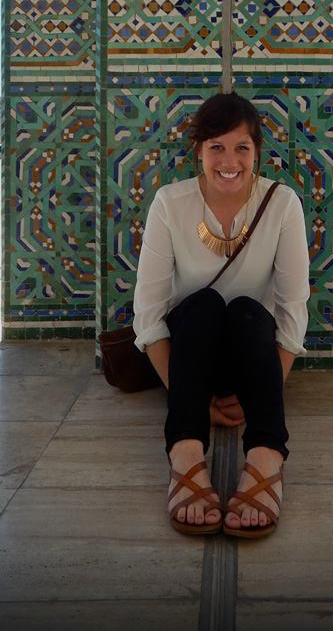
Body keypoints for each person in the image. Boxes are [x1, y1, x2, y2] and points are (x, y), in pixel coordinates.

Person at [132, 92, 310, 540]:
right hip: (189, 362)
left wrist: (264, 391)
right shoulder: (169, 204)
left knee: (250, 312)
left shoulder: (283, 203)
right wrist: (192, 401)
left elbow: (291, 311)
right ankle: (187, 455)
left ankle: (267, 455)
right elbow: (149, 314)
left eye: (241, 148)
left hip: (254, 360)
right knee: (202, 307)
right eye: (217, 147)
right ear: (199, 152)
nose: (229, 161)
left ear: (256, 154)